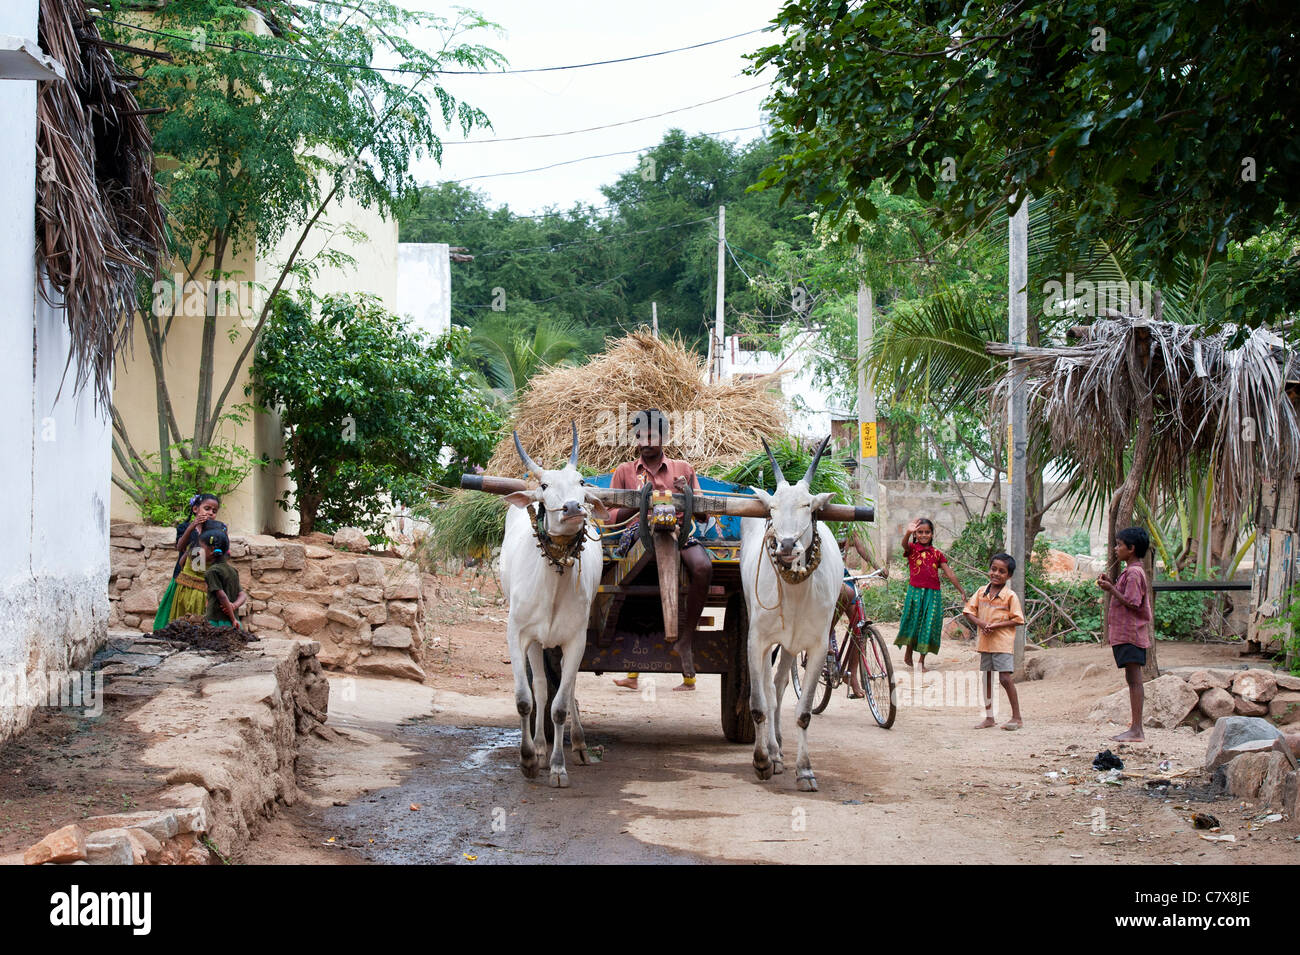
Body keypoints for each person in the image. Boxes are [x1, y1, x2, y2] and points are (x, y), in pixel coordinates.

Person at [610, 409, 711, 692]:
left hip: (678, 536)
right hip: (636, 538)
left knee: (703, 567)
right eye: (641, 434)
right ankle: (633, 669)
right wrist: (635, 503)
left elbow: (704, 516)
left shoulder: (683, 469)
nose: (647, 440)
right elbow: (607, 517)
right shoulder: (625, 472)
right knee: (637, 576)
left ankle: (686, 640)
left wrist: (686, 494)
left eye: (653, 434)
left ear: (664, 437)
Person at [1097, 526, 1152, 742]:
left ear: (1131, 548)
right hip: (1128, 633)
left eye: (1119, 545)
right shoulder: (1130, 572)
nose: (1116, 548)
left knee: (1135, 679)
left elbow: (1132, 602)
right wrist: (1112, 585)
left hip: (1131, 633)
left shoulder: (1134, 573)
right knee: (1132, 678)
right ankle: (1135, 727)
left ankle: (1137, 729)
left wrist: (1111, 590)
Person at [894, 517, 967, 670]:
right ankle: (908, 652)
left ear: (932, 534)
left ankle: (921, 661)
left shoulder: (937, 554)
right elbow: (903, 545)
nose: (924, 535)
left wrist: (961, 590)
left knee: (928, 625)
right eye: (920, 532)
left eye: (927, 532)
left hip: (932, 595)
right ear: (915, 534)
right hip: (914, 594)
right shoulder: (912, 548)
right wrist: (907, 533)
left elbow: (950, 573)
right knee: (912, 623)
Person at [964, 553, 1026, 730]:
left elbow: (1018, 619)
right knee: (987, 679)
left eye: (1002, 571)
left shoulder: (1010, 596)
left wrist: (996, 625)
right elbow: (968, 612)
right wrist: (981, 623)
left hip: (1002, 643)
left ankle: (1017, 717)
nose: (996, 574)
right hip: (985, 643)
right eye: (993, 569)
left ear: (1009, 575)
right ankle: (989, 717)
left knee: (1005, 678)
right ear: (989, 569)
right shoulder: (981, 592)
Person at [153, 493, 226, 630]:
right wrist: (192, 526)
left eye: (214, 511)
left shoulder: (218, 530)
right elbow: (180, 547)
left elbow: (223, 553)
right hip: (184, 577)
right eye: (207, 508)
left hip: (206, 579)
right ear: (195, 509)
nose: (210, 513)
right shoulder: (185, 527)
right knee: (180, 606)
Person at [199, 528, 247, 627]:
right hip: (233, 623)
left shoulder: (212, 572)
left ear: (212, 550)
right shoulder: (232, 570)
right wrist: (234, 606)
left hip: (216, 623)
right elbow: (242, 595)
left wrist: (232, 618)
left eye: (201, 548)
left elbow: (222, 596)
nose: (199, 552)